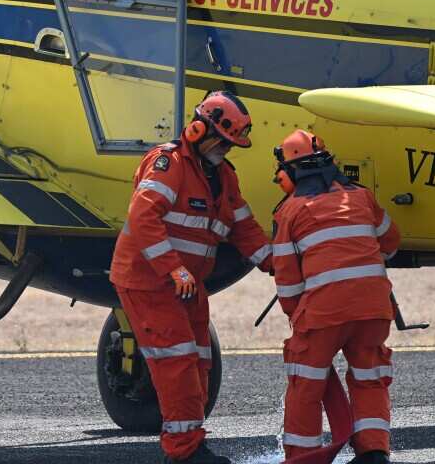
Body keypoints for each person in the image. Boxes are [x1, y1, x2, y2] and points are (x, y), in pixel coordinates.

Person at [109, 91, 275, 464]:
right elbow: (143, 218)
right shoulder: (168, 164)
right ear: (200, 130)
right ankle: (183, 452)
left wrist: (275, 263)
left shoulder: (223, 177)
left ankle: (190, 441)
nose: (226, 150)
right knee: (178, 361)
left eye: (231, 145)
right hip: (151, 281)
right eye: (224, 142)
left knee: (199, 361)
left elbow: (244, 226)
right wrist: (173, 267)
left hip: (186, 286)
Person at [270, 130, 401, 464]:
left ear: (290, 173)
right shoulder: (362, 197)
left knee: (306, 385)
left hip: (323, 314)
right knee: (369, 377)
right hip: (374, 309)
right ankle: (374, 453)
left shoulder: (290, 212)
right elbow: (391, 242)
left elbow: (287, 281)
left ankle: (304, 457)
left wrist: (297, 318)